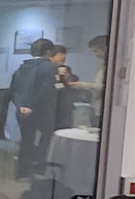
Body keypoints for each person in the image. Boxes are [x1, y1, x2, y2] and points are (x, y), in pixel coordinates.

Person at [6, 37, 59, 178]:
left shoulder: (22, 67)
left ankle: (22, 170)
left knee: (26, 140)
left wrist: (22, 106)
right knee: (45, 139)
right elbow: (46, 90)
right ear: (48, 51)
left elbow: (13, 90)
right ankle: (39, 168)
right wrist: (32, 106)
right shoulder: (50, 67)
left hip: (21, 110)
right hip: (42, 110)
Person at [70, 35, 108, 124]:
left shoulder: (110, 66)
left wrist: (83, 85)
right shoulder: (103, 64)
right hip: (96, 106)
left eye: (96, 51)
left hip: (102, 107)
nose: (95, 54)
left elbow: (104, 88)